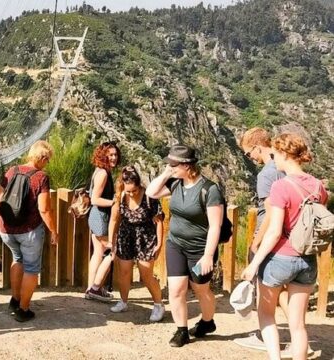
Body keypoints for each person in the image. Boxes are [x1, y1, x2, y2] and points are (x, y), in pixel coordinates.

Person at [242, 133, 327, 360]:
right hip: (307, 259)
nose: (274, 158)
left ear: (283, 154)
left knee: (266, 314)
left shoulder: (281, 186)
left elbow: (274, 231)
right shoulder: (318, 186)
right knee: (298, 324)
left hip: (279, 258)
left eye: (276, 154)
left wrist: (254, 263)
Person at [146, 145, 223, 347]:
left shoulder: (210, 189)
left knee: (201, 290)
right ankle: (181, 331)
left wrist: (208, 255)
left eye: (174, 164)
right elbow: (151, 192)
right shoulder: (174, 184)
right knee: (176, 290)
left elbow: (215, 226)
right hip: (176, 244)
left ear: (188, 166)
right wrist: (166, 173)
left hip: (200, 249)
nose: (170, 167)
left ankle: (207, 322)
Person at [235, 128, 289, 351]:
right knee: (282, 288)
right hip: (287, 238)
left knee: (264, 289)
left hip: (268, 237)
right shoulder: (284, 167)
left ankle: (263, 334)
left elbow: (267, 211)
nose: (251, 158)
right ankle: (297, 328)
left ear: (258, 147)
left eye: (249, 153)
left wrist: (256, 241)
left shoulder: (266, 174)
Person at [0, 140, 58, 322]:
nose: (47, 163)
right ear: (43, 158)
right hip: (29, 230)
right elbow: (44, 209)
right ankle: (23, 310)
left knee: (17, 259)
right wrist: (54, 231)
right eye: (48, 160)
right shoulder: (41, 177)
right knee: (31, 269)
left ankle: (15, 301)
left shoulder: (11, 171)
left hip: (7, 229)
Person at [107, 166, 165, 322]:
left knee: (146, 274)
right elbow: (114, 220)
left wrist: (159, 243)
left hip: (146, 238)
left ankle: (158, 305)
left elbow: (159, 221)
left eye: (134, 190)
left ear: (139, 186)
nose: (131, 194)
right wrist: (111, 241)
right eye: (128, 191)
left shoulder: (149, 198)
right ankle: (123, 301)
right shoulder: (120, 197)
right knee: (124, 272)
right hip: (126, 237)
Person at [85, 141, 121, 302]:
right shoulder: (103, 174)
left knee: (98, 253)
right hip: (100, 217)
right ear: (103, 155)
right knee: (112, 251)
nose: (114, 157)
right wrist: (114, 202)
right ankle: (95, 288)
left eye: (115, 154)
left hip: (96, 216)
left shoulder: (100, 170)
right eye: (110, 154)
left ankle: (92, 288)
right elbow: (95, 199)